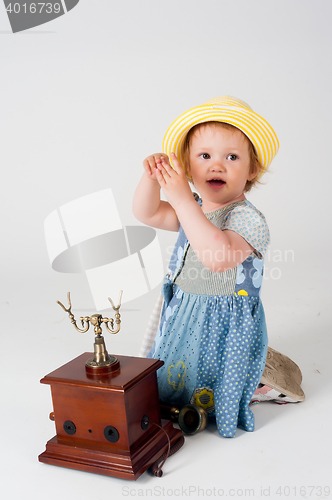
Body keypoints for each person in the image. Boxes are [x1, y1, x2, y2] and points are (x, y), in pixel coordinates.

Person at [133, 96, 303, 438]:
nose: (217, 165)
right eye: (204, 156)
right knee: (174, 372)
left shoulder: (249, 220)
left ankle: (254, 384)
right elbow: (147, 213)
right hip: (185, 308)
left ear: (252, 170)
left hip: (223, 318)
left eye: (232, 157)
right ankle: (176, 398)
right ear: (186, 165)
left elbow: (217, 258)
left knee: (213, 372)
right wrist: (152, 178)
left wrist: (181, 199)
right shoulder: (193, 205)